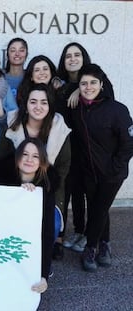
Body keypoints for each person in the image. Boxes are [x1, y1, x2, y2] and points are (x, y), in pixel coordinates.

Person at [0, 83, 71, 259]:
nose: (38, 107)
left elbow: (63, 166)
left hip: (48, 191)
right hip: (15, 190)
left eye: (44, 102)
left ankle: (38, 263)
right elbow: (2, 163)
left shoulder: (59, 129)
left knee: (49, 227)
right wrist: (20, 187)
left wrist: (41, 189)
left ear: (50, 105)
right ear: (26, 105)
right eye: (33, 101)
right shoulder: (13, 127)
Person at [70, 64, 133, 272]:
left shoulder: (117, 109)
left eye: (93, 83)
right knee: (100, 208)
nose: (88, 87)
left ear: (102, 84)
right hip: (89, 172)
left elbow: (129, 142)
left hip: (112, 174)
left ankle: (91, 247)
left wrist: (116, 167)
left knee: (97, 210)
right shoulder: (77, 109)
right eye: (84, 83)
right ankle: (105, 245)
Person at [56, 43, 115, 253]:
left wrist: (78, 92)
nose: (73, 58)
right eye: (68, 56)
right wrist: (71, 90)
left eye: (77, 54)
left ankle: (95, 236)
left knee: (95, 196)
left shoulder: (98, 79)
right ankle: (80, 231)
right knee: (76, 191)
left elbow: (106, 105)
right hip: (71, 148)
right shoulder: (61, 84)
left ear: (84, 57)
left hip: (94, 150)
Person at [0, 137, 59, 294]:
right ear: (17, 158)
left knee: (54, 224)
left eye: (36, 156)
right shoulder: (2, 174)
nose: (29, 159)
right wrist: (18, 193)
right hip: (10, 226)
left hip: (38, 224)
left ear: (42, 161)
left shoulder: (48, 182)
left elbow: (46, 232)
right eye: (25, 154)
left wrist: (43, 276)